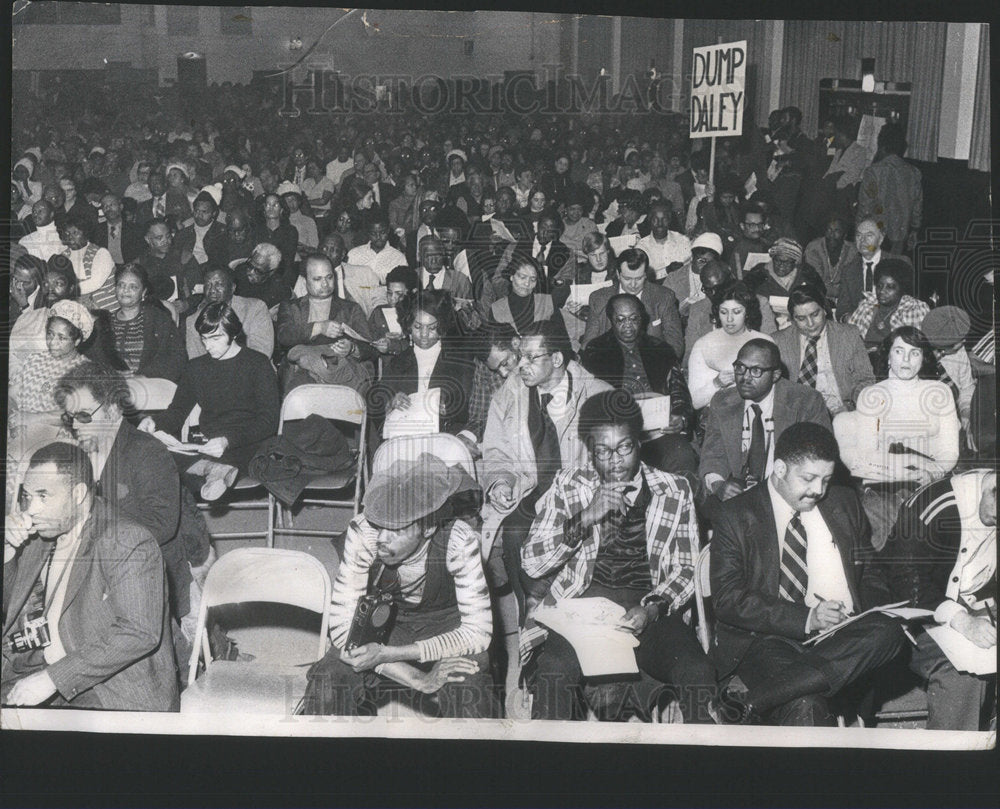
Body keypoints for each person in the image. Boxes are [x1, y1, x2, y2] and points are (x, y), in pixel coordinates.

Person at [519, 390, 716, 722]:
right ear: (589, 451)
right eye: (603, 451)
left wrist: (653, 607)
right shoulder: (570, 484)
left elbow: (685, 569)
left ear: (639, 443)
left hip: (649, 612)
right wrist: (583, 518)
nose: (615, 461)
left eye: (625, 447)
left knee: (696, 671)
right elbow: (532, 561)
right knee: (554, 670)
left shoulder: (673, 490)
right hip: (581, 613)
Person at [710, 422, 907, 726]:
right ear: (779, 468)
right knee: (806, 703)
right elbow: (727, 598)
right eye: (808, 478)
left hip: (843, 637)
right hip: (768, 639)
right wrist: (807, 618)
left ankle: (752, 703)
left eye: (826, 479)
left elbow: (870, 573)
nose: (818, 490)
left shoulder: (843, 501)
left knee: (889, 632)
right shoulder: (736, 514)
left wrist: (865, 613)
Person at [300, 453, 495, 718]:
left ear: (427, 527)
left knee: (470, 692)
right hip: (387, 626)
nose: (382, 539)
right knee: (329, 679)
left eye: (396, 530)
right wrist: (416, 678)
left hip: (451, 628)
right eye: (380, 525)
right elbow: (343, 632)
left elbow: (477, 634)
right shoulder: (363, 531)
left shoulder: (460, 540)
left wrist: (386, 655)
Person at [2, 441, 179, 711]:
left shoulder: (127, 540)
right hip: (41, 668)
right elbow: (9, 612)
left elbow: (139, 632)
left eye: (43, 496)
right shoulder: (39, 535)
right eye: (27, 496)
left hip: (111, 691)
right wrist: (7, 555)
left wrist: (53, 679)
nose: (31, 509)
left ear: (79, 494)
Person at [52, 362, 206, 623]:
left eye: (84, 416)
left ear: (112, 409)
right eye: (70, 417)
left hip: (150, 560)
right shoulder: (81, 450)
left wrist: (98, 541)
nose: (76, 426)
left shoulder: (146, 451)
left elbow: (162, 525)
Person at [481, 320, 613, 614]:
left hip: (579, 493)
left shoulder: (597, 393)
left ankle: (558, 605)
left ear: (556, 359)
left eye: (531, 358)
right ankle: (528, 608)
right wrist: (500, 481)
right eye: (520, 356)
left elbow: (613, 462)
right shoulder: (509, 393)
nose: (520, 365)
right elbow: (495, 449)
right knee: (514, 531)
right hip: (530, 487)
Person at [879, 469, 996, 730]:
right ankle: (950, 767)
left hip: (972, 612)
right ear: (991, 487)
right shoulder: (935, 504)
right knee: (963, 673)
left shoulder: (991, 503)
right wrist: (962, 621)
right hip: (912, 617)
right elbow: (906, 582)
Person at [833, 326, 960, 550]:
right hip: (885, 484)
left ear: (923, 358)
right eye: (899, 351)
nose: (907, 359)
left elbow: (950, 452)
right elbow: (867, 456)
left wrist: (933, 472)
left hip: (930, 479)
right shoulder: (872, 395)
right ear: (888, 356)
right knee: (884, 533)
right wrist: (907, 468)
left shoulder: (940, 392)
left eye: (915, 352)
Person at [140, 302, 280, 501]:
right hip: (209, 445)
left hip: (249, 442)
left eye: (216, 338)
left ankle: (211, 470)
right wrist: (154, 422)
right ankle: (214, 470)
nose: (208, 345)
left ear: (233, 334)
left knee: (251, 456)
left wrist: (227, 441)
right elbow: (177, 412)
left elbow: (269, 421)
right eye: (204, 339)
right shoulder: (196, 368)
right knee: (151, 453)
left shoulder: (258, 364)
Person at [700, 338, 831, 516]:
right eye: (740, 367)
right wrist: (719, 485)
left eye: (755, 371)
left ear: (775, 375)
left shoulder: (805, 401)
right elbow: (713, 455)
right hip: (740, 492)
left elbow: (818, 460)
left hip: (789, 491)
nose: (745, 377)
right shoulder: (722, 401)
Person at [580, 294, 698, 481]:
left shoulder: (660, 349)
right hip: (617, 433)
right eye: (621, 320)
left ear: (641, 319)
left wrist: (681, 417)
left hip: (658, 431)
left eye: (634, 319)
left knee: (682, 455)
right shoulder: (595, 352)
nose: (628, 324)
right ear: (611, 320)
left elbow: (679, 391)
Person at [369, 290, 476, 441]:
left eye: (431, 328)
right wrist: (391, 402)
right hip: (405, 437)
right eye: (418, 327)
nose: (424, 334)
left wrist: (450, 409)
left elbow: (470, 406)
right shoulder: (399, 361)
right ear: (409, 326)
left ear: (442, 327)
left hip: (445, 435)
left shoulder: (459, 360)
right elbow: (376, 403)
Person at [275, 253, 374, 394]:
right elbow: (284, 337)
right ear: (305, 282)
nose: (325, 284)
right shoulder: (291, 307)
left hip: (341, 374)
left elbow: (370, 348)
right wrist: (319, 327)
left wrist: (352, 348)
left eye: (329, 277)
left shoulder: (351, 308)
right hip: (301, 376)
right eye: (317, 279)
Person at [771, 284, 875, 415]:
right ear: (792, 320)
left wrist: (851, 405)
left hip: (840, 410)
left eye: (815, 314)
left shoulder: (849, 335)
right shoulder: (778, 341)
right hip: (796, 412)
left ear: (824, 310)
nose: (810, 324)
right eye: (801, 318)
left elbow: (865, 379)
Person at [580, 247, 684, 358]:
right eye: (627, 279)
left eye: (639, 278)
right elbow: (589, 344)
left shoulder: (664, 297)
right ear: (618, 274)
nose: (633, 285)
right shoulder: (599, 299)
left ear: (645, 274)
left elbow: (675, 345)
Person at [687, 281, 774, 410]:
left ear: (747, 312)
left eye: (736, 312)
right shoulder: (703, 345)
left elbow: (775, 392)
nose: (729, 319)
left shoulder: (765, 342)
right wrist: (717, 383)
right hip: (718, 416)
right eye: (723, 312)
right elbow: (693, 402)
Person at [683, 259, 777, 367]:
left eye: (717, 288)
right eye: (708, 289)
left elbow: (770, 348)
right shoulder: (698, 309)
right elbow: (690, 354)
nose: (713, 294)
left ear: (731, 281)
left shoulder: (760, 303)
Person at [109, 263, 186, 382]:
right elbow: (93, 363)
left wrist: (143, 376)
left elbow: (177, 358)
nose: (125, 290)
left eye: (133, 286)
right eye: (121, 285)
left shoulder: (158, 318)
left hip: (150, 386)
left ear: (143, 292)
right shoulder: (104, 323)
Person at [856, 122, 922, 253]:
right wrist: (915, 230)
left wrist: (858, 232)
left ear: (882, 143)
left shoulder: (873, 171)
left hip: (875, 233)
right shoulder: (913, 172)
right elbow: (917, 207)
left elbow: (865, 206)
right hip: (900, 235)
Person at [185, 265, 274, 360]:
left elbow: (261, 354)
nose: (212, 290)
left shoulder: (255, 308)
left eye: (218, 284)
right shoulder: (193, 320)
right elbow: (197, 362)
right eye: (207, 284)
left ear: (232, 287)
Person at [846, 259, 929, 359]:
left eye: (890, 287)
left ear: (902, 288)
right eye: (879, 286)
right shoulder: (866, 305)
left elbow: (922, 350)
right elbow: (848, 340)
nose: (882, 291)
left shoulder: (915, 309)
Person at [837, 218, 914, 323]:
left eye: (869, 235)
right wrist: (848, 318)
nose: (862, 240)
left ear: (880, 239)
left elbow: (910, 302)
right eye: (859, 235)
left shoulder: (900, 263)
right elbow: (842, 309)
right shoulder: (848, 270)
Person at [920, 306, 977, 445]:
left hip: (954, 413)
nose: (964, 342)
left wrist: (965, 412)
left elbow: (966, 386)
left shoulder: (959, 350)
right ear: (943, 348)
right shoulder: (918, 359)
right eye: (960, 340)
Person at [460, 323, 520, 448]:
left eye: (504, 363)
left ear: (515, 343)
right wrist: (466, 438)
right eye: (495, 370)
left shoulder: (540, 361)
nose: (503, 373)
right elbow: (479, 418)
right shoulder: (485, 367)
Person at [57, 214, 116, 303]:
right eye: (67, 234)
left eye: (75, 233)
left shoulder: (101, 253)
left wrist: (65, 291)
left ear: (86, 233)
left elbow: (95, 283)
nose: (70, 238)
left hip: (102, 308)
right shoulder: (63, 257)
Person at [490, 257, 557, 335]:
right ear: (511, 276)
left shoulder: (547, 302)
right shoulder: (497, 308)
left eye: (532, 279)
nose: (527, 283)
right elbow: (494, 343)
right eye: (522, 277)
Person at [635, 202, 692, 286]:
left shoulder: (683, 241)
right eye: (655, 219)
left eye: (664, 219)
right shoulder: (641, 247)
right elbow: (642, 278)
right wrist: (666, 271)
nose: (660, 224)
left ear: (669, 220)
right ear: (649, 220)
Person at [803, 215, 854, 306]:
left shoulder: (853, 251)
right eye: (829, 230)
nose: (832, 235)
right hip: (818, 299)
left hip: (846, 301)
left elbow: (851, 285)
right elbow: (815, 284)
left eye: (837, 231)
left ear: (845, 234)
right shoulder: (813, 249)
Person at [369, 264, 419, 356]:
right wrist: (382, 339)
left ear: (414, 292)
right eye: (389, 293)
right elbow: (369, 342)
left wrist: (405, 335)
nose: (393, 298)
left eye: (399, 294)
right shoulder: (379, 312)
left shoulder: (420, 314)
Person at [174, 189, 227, 269]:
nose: (199, 215)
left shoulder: (222, 231)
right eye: (197, 211)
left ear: (214, 213)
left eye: (204, 212)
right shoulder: (185, 232)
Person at [347, 217, 407, 284]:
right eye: (373, 233)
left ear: (388, 231)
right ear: (368, 233)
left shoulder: (399, 258)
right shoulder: (354, 254)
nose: (378, 237)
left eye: (382, 232)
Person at [233, 242, 291, 310]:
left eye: (258, 271)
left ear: (271, 272)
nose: (250, 272)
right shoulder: (239, 272)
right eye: (250, 266)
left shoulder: (279, 290)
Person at [94, 192, 143, 266]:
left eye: (112, 204)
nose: (108, 208)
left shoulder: (135, 229)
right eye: (105, 206)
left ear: (121, 207)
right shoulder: (97, 230)